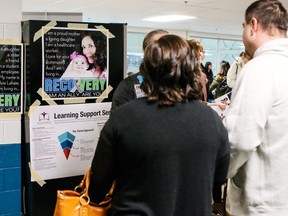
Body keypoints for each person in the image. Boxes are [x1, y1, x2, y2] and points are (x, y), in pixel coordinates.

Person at [88, 34, 230, 216]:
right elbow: (219, 177)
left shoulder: (123, 118)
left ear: (147, 71)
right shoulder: (213, 121)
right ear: (190, 70)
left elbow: (98, 187)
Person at [224, 0, 288, 215]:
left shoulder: (259, 68)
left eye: (243, 26)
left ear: (253, 24)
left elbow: (241, 139)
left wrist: (217, 174)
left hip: (264, 200)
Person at [110, 29, 168, 112]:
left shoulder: (182, 84)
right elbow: (117, 121)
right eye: (162, 46)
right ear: (147, 51)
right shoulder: (129, 85)